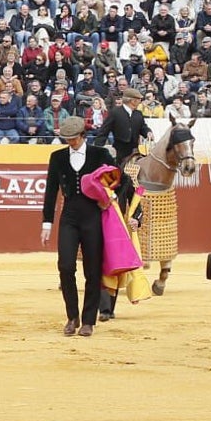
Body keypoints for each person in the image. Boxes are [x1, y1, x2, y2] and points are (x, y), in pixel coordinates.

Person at [41, 115, 117, 337]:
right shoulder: (57, 157)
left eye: (73, 138)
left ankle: (88, 320)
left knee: (92, 270)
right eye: (67, 139)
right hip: (70, 217)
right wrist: (47, 223)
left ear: (83, 136)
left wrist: (110, 198)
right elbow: (50, 191)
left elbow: (118, 180)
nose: (70, 142)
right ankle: (72, 316)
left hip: (93, 216)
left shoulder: (100, 154)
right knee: (65, 266)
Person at [92, 88, 152, 165]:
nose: (140, 101)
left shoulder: (138, 114)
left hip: (135, 151)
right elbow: (104, 132)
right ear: (132, 101)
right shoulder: (115, 113)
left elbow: (143, 127)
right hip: (120, 151)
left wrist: (148, 132)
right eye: (139, 99)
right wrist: (98, 149)